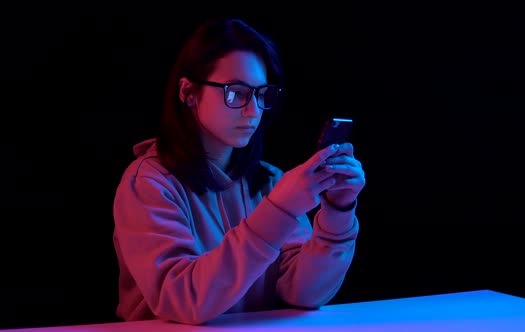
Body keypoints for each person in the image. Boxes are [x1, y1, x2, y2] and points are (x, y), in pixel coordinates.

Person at [112, 16, 366, 325]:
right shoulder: (149, 183)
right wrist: (279, 210)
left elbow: (304, 293)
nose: (254, 110)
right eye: (236, 93)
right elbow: (182, 299)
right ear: (188, 92)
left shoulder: (269, 181)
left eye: (262, 95)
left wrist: (338, 210)